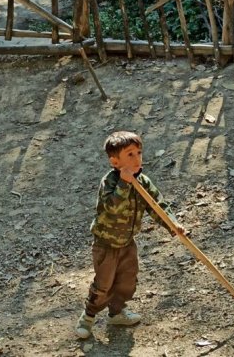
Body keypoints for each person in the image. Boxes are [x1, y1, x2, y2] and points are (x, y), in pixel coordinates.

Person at [75, 131, 185, 339]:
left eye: (139, 153)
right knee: (104, 283)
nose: (137, 159)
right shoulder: (109, 182)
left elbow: (157, 205)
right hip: (106, 243)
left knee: (127, 280)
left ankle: (117, 312)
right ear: (115, 161)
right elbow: (111, 208)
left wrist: (173, 224)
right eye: (130, 155)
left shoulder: (143, 181)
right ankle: (88, 316)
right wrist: (125, 183)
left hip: (127, 242)